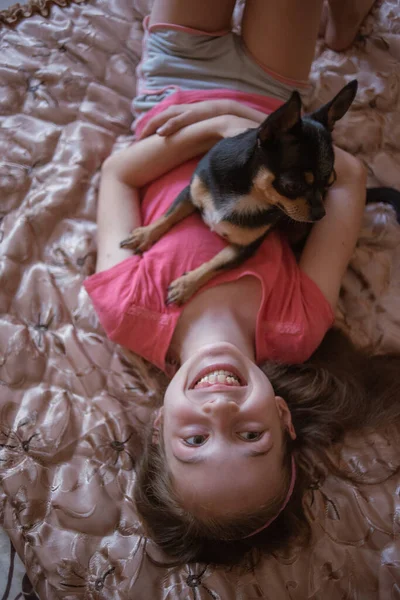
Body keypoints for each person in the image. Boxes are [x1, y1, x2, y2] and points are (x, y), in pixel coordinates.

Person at [83, 0, 395, 567]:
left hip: (177, 93)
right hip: (277, 110)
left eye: (194, 442)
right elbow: (345, 177)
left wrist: (215, 122)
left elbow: (119, 174)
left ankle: (344, 17)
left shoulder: (130, 312)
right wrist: (241, 120)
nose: (220, 409)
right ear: (281, 417)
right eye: (251, 437)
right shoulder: (296, 326)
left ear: (158, 428)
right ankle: (342, 18)